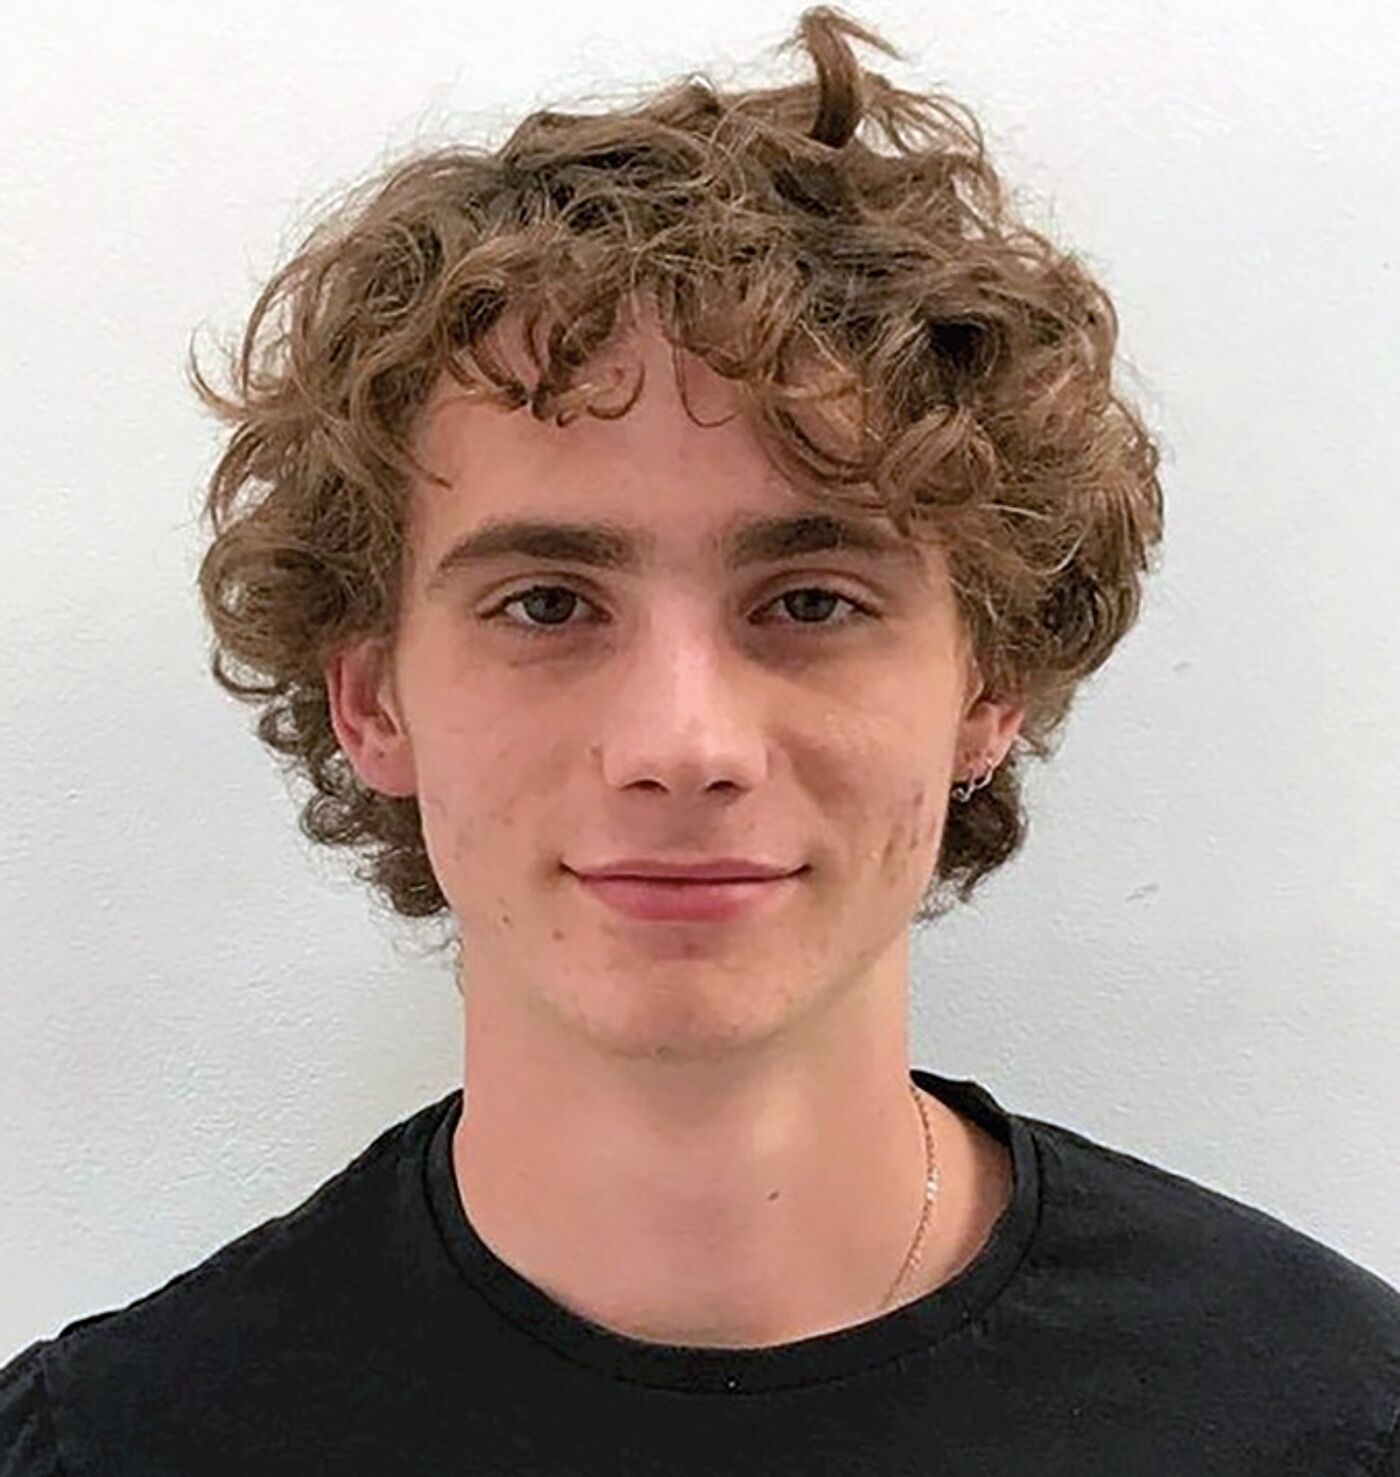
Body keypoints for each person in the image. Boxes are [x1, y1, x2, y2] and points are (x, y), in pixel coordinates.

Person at [3, 6, 1396, 1472]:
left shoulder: (1330, 1424)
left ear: (991, 683)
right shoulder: (110, 1446)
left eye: (810, 597)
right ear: (373, 698)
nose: (682, 740)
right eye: (547, 602)